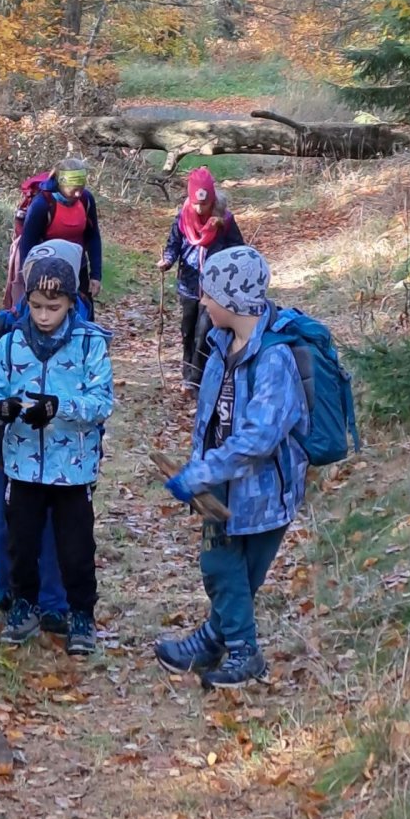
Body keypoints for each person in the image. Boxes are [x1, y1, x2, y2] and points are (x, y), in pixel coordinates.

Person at [154, 246, 308, 688]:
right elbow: (210, 420)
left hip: (265, 492)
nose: (202, 301)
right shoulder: (221, 345)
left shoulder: (274, 359)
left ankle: (234, 652)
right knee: (221, 567)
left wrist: (200, 473)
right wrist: (199, 469)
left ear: (233, 300)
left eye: (210, 294)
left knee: (244, 576)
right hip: (221, 485)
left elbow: (260, 438)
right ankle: (230, 647)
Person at [0, 250, 114, 657]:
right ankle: (24, 605)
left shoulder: (89, 344)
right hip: (22, 465)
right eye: (36, 306)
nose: (44, 315)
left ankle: (81, 614)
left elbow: (102, 402)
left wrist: (59, 407)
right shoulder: (11, 344)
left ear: (71, 302)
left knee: (75, 547)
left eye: (53, 307)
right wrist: (0, 410)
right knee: (21, 542)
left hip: (73, 468)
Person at [0, 240, 85, 630]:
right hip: (0, 448)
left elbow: (93, 399)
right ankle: (3, 584)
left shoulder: (83, 337)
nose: (42, 311)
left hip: (59, 457)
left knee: (51, 531)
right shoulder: (5, 326)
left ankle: (53, 599)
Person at [157, 167, 245, 392]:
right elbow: (173, 245)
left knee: (204, 331)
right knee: (188, 329)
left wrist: (228, 267)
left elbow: (238, 248)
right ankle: (187, 372)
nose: (199, 208)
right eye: (196, 203)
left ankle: (197, 378)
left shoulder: (225, 219)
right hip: (189, 284)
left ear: (212, 199)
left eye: (204, 204)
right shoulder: (182, 217)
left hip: (214, 288)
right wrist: (167, 260)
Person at [15, 157, 103, 307]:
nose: (78, 194)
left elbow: (93, 236)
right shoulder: (42, 205)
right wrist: (30, 278)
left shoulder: (86, 199)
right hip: (46, 271)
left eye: (81, 188)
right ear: (61, 183)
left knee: (83, 314)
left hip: (78, 268)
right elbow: (27, 244)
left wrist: (96, 275)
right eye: (73, 189)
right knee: (52, 315)